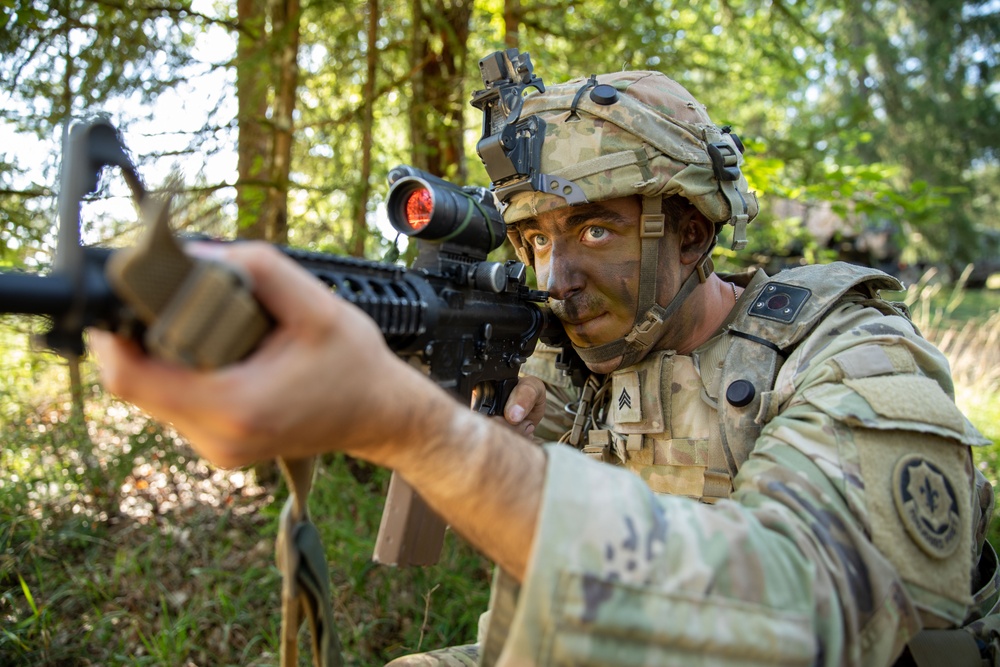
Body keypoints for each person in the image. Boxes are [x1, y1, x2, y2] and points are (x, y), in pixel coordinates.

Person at [91, 49, 998, 667]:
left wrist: (430, 435)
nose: (554, 274)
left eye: (594, 228)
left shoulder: (850, 349)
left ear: (689, 231)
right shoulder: (570, 363)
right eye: (530, 239)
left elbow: (811, 615)